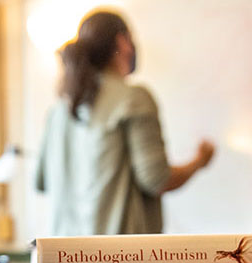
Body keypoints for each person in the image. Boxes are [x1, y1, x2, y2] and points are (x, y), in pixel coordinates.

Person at [35, 10, 214, 236]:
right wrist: (199, 161)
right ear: (122, 41)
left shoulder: (58, 110)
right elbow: (157, 180)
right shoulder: (133, 99)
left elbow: (40, 181)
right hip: (117, 262)